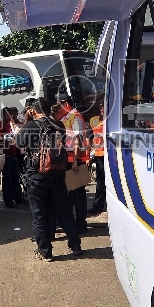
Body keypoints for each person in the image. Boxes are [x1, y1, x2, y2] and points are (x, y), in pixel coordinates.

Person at [15, 98, 82, 261]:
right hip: (58, 174)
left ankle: (45, 252)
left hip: (37, 176)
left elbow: (19, 143)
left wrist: (28, 121)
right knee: (65, 212)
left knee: (39, 214)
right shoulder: (59, 125)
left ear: (33, 110)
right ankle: (75, 245)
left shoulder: (30, 126)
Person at [55, 92, 89, 234]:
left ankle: (81, 224)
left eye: (60, 106)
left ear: (66, 104)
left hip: (76, 160)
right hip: (69, 159)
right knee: (72, 194)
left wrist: (75, 160)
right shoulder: (68, 117)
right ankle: (75, 222)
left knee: (78, 195)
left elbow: (78, 139)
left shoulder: (75, 118)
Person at [1, 107, 24, 208]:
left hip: (14, 154)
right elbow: (1, 138)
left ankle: (18, 197)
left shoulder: (11, 124)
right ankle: (8, 200)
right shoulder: (1, 125)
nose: (12, 116)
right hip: (6, 156)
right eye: (9, 114)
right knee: (7, 179)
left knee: (16, 177)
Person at [88, 99, 106, 215]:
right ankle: (98, 206)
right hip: (98, 155)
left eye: (104, 107)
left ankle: (101, 205)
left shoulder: (113, 120)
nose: (102, 109)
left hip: (110, 155)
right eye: (101, 107)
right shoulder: (94, 120)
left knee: (106, 182)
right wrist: (90, 150)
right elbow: (89, 136)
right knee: (100, 182)